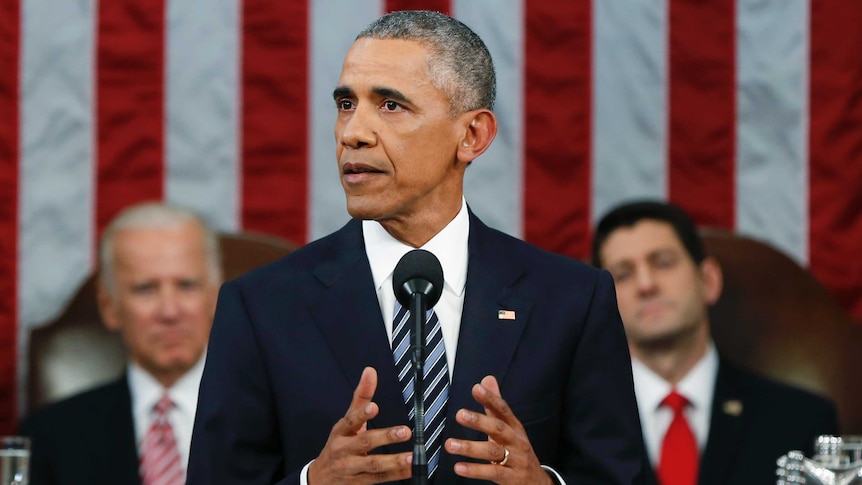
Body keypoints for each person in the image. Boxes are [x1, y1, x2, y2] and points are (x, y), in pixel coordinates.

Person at [187, 10, 649, 485]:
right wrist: (312, 481)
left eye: (390, 106)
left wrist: (544, 484)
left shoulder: (572, 300)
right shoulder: (260, 306)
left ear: (472, 135)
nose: (353, 133)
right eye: (347, 104)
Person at [591, 200, 839, 485]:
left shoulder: (800, 420)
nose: (646, 285)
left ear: (707, 280)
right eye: (623, 274)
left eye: (663, 263)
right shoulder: (576, 429)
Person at [20, 202, 223, 484]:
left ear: (215, 297)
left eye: (186, 285)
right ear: (109, 306)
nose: (170, 311)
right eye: (146, 289)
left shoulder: (269, 423)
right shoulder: (50, 436)